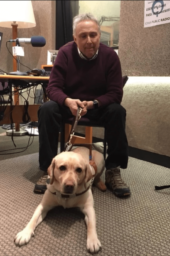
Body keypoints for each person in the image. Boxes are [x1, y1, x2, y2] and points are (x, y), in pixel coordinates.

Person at [36, 13, 130, 198]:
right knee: (47, 109)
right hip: (70, 107)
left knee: (117, 111)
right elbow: (53, 88)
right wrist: (68, 101)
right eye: (83, 36)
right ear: (75, 38)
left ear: (99, 34)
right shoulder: (65, 53)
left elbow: (116, 93)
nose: (89, 41)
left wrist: (94, 103)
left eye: (93, 35)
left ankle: (113, 170)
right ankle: (48, 169)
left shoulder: (110, 56)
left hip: (97, 108)